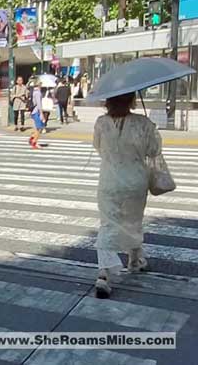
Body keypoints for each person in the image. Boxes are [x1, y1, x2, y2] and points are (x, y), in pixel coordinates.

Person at [91, 92, 161, 298]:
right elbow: (154, 150)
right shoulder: (143, 123)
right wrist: (152, 130)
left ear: (108, 101)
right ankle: (134, 260)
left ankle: (103, 275)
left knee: (107, 224)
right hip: (136, 181)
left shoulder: (101, 123)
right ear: (132, 100)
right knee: (134, 220)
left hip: (109, 181)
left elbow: (98, 148)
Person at [29, 80, 46, 149]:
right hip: (37, 112)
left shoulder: (33, 91)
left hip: (33, 111)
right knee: (39, 128)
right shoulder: (38, 93)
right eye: (41, 84)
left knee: (37, 128)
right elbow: (39, 104)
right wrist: (41, 114)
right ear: (39, 85)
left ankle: (32, 138)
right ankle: (34, 142)